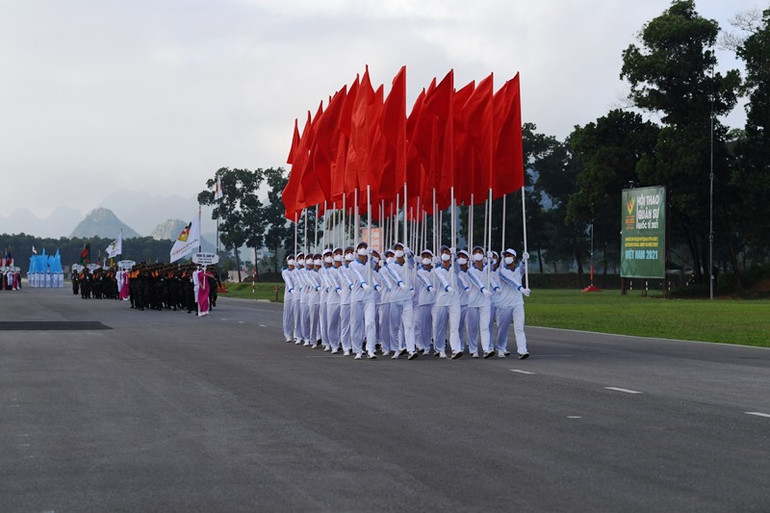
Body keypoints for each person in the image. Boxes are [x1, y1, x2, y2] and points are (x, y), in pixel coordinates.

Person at [495, 248, 531, 359]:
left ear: (514, 257)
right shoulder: (502, 271)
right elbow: (511, 281)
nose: (507, 257)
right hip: (505, 304)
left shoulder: (518, 270)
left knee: (519, 328)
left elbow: (523, 268)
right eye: (505, 256)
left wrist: (525, 260)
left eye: (510, 255)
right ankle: (500, 347)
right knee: (503, 328)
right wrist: (521, 289)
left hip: (518, 303)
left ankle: (522, 350)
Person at [431, 246, 463, 359]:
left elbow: (459, 268)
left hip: (454, 300)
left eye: (448, 252)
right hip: (441, 300)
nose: (446, 254)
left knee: (454, 326)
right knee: (440, 327)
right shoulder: (437, 269)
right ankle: (440, 348)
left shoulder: (454, 268)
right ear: (440, 255)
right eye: (443, 252)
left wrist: (455, 257)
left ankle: (455, 349)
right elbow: (442, 280)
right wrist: (448, 287)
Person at [281, 255, 297, 342]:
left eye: (293, 259)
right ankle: (287, 334)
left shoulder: (298, 272)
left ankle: (296, 334)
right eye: (290, 259)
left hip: (298, 296)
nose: (291, 261)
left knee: (298, 316)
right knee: (288, 316)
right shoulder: (285, 272)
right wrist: (292, 290)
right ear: (287, 262)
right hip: (289, 297)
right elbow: (288, 281)